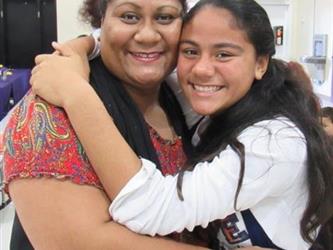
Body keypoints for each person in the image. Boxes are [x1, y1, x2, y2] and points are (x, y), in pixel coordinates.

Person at [29, 0, 333, 249]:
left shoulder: (275, 142)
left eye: (224, 54)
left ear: (261, 63)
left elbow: (153, 207)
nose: (201, 69)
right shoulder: (195, 98)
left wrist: (75, 93)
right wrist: (80, 48)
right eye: (190, 51)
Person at [2, 0, 213, 249]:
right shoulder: (50, 111)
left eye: (165, 18)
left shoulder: (176, 94)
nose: (147, 35)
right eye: (129, 17)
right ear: (101, 21)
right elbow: (78, 243)